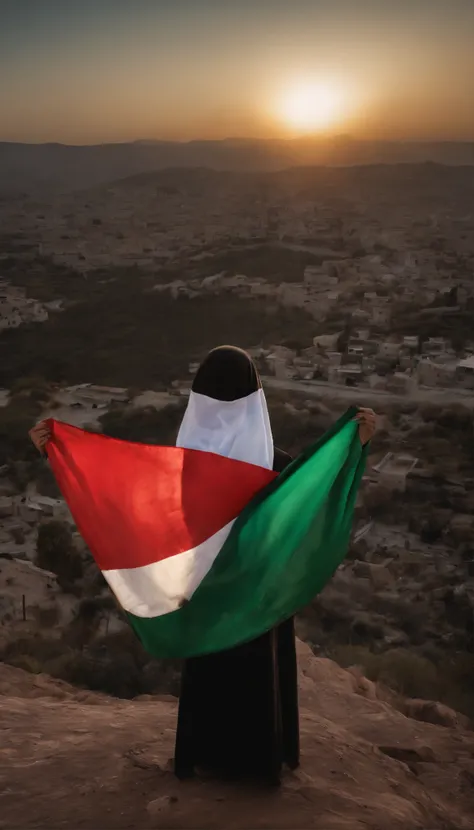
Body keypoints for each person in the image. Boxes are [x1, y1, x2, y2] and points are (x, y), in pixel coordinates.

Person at [29, 346, 376, 785]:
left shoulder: (179, 468)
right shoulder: (276, 465)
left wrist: (60, 452)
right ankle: (260, 763)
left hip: (203, 595)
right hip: (258, 600)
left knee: (210, 674)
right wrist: (353, 447)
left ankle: (203, 756)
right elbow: (315, 497)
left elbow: (121, 498)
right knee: (259, 675)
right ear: (257, 397)